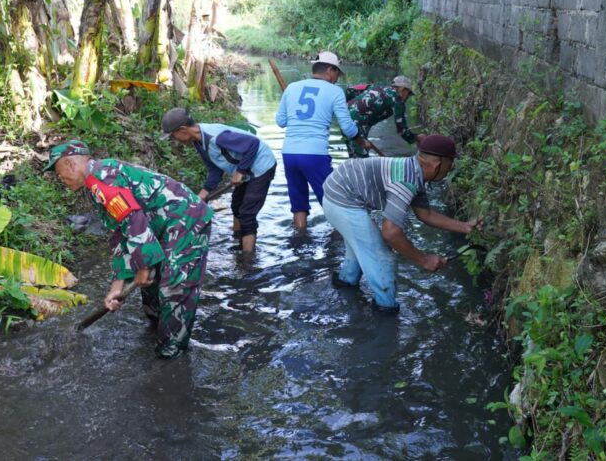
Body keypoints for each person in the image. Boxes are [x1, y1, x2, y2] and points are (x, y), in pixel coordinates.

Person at [43, 140, 213, 358]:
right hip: (159, 226)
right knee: (150, 286)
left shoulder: (102, 178)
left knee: (174, 287)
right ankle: (155, 329)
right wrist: (117, 285)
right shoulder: (96, 182)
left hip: (185, 219)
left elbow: (134, 220)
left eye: (58, 173)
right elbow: (121, 232)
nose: (60, 179)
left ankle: (171, 355)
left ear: (69, 164)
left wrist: (143, 266)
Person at [322, 134, 483, 313]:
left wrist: (465, 227)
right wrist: (423, 260)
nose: (450, 168)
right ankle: (386, 309)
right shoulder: (406, 181)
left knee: (360, 247)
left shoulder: (414, 170)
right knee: (383, 257)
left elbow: (425, 214)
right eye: (450, 163)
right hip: (342, 199)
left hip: (340, 189)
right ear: (438, 164)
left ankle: (346, 282)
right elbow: (391, 233)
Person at [275, 51, 370, 230]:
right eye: (336, 73)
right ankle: (339, 242)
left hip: (289, 154)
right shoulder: (334, 91)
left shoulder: (292, 87)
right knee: (334, 201)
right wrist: (361, 140)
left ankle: (300, 239)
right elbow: (348, 128)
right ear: (329, 70)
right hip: (315, 155)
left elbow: (280, 122)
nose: (336, 78)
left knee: (298, 206)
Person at [160, 108, 276, 253]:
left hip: (261, 166)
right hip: (245, 169)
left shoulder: (216, 138)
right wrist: (202, 195)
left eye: (173, 135)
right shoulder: (198, 142)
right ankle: (238, 242)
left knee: (247, 214)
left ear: (183, 130)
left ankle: (248, 260)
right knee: (236, 205)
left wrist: (240, 172)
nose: (174, 139)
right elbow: (215, 170)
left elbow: (253, 144)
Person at [344, 75, 424, 158]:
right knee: (361, 161)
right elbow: (402, 130)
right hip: (356, 126)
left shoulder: (376, 88)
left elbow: (350, 90)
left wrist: (346, 107)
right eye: (409, 93)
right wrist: (416, 138)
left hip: (344, 118)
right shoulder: (397, 100)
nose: (408, 97)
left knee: (354, 157)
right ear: (403, 90)